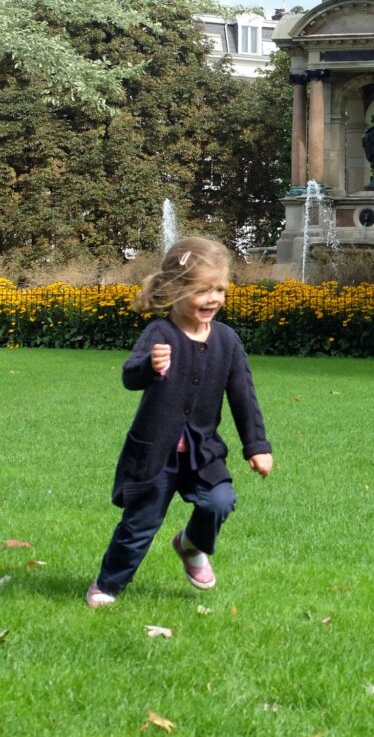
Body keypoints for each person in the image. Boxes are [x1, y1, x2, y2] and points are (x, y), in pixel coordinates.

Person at [86, 236, 273, 607]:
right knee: (138, 527)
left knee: (219, 501)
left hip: (201, 453)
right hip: (155, 454)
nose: (213, 299)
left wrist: (257, 446)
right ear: (174, 290)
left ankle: (191, 545)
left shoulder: (227, 341)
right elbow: (129, 377)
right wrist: (149, 366)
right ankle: (107, 586)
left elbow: (243, 397)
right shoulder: (160, 334)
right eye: (203, 291)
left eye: (220, 289)